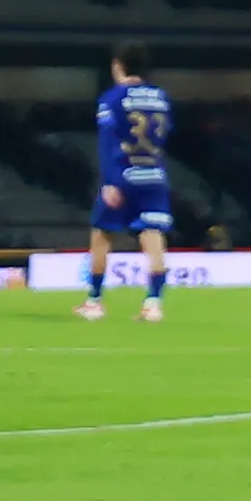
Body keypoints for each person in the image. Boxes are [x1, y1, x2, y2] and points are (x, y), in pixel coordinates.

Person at [80, 47, 172, 323]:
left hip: (124, 173)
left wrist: (110, 181)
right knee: (153, 236)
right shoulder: (161, 98)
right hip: (154, 174)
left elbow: (107, 142)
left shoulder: (113, 97)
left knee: (102, 235)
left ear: (118, 65)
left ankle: (94, 301)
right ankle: (153, 303)